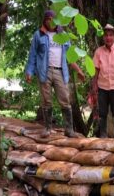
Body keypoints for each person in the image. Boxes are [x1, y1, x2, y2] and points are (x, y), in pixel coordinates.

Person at [25, 10, 85, 138]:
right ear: (44, 21)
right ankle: (47, 129)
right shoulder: (38, 35)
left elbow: (70, 57)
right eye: (48, 19)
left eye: (53, 19)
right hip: (44, 71)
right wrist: (29, 72)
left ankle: (69, 130)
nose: (50, 21)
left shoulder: (63, 36)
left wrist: (79, 70)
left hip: (60, 71)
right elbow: (33, 55)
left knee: (65, 100)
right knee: (46, 101)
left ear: (57, 21)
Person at [92, 24, 114, 138]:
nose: (108, 37)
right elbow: (95, 70)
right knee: (102, 113)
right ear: (103, 38)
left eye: (111, 35)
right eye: (106, 35)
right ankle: (103, 134)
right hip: (102, 87)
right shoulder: (98, 52)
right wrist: (94, 86)